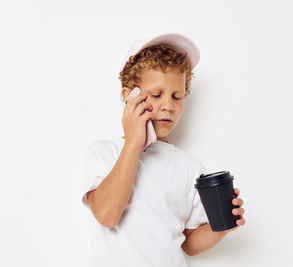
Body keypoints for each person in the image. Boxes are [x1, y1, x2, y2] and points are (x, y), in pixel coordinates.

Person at [81, 32, 246, 266]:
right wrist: (133, 143)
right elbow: (107, 215)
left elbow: (189, 244)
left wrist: (223, 225)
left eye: (177, 96)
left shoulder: (190, 167)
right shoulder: (105, 152)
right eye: (156, 95)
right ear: (130, 96)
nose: (168, 106)